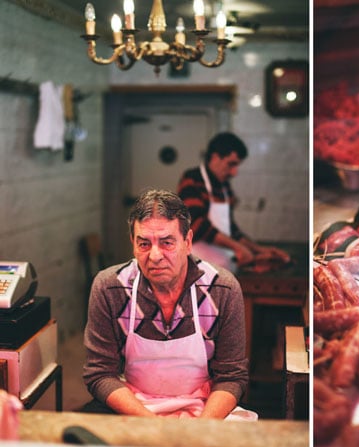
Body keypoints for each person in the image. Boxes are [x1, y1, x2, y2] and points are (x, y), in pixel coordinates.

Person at [82, 189, 255, 420]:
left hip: (203, 406)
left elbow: (231, 377)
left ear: (188, 241)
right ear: (132, 243)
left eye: (167, 243)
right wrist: (152, 424)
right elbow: (100, 373)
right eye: (144, 244)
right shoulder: (110, 288)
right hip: (135, 406)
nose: (155, 256)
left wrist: (200, 429)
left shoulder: (221, 288)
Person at [177, 132, 289, 271]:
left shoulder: (224, 187)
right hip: (196, 265)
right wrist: (237, 247)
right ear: (215, 157)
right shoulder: (192, 179)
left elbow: (231, 229)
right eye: (231, 164)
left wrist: (258, 249)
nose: (234, 172)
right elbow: (197, 224)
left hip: (221, 262)